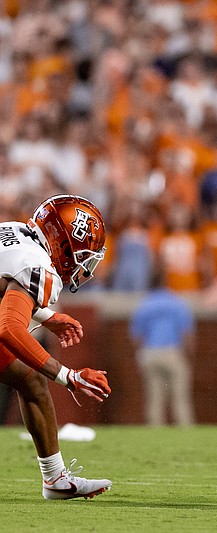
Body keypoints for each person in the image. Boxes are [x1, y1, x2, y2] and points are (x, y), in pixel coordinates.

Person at [0, 194, 112, 500]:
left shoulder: (15, 231)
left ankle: (55, 478)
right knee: (34, 377)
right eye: (85, 256)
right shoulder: (38, 265)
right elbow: (9, 329)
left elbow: (6, 290)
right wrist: (69, 377)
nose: (85, 268)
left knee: (30, 380)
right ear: (66, 246)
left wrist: (46, 316)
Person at [129, 269, 196, 426]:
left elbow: (137, 336)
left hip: (149, 352)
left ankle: (154, 429)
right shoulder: (176, 302)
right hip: (171, 351)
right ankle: (184, 427)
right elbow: (187, 333)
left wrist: (140, 354)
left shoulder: (144, 305)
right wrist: (189, 355)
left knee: (154, 396)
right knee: (180, 395)